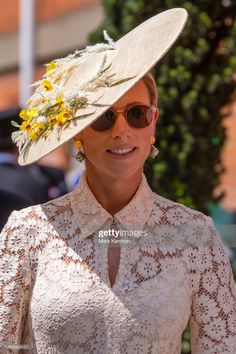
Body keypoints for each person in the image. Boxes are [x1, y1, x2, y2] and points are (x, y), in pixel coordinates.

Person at [0, 8, 235, 354]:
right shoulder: (26, 233)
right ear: (78, 132)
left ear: (153, 123)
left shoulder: (195, 236)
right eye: (104, 117)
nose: (122, 130)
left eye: (136, 114)